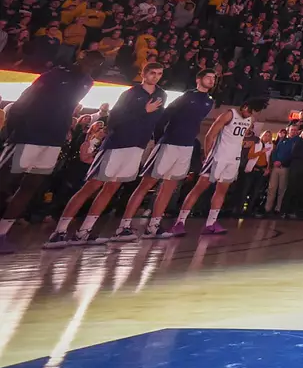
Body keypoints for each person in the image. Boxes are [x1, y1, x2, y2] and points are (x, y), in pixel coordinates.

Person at [45, 63, 166, 248]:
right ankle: (59, 231)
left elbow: (157, 121)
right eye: (152, 73)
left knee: (112, 188)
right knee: (92, 185)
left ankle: (84, 231)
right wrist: (143, 111)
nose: (156, 77)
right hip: (117, 144)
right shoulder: (131, 94)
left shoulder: (161, 95)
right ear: (143, 73)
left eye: (159, 74)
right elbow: (115, 119)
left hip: (137, 146)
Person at [0, 55, 96, 253]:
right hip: (29, 135)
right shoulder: (55, 74)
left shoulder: (88, 82)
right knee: (4, 180)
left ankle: (2, 232)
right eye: (90, 60)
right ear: (81, 57)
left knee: (31, 186)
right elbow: (24, 100)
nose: (92, 65)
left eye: (97, 63)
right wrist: (14, 132)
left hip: (54, 140)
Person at [113, 67, 219, 241]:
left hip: (186, 146)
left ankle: (154, 225)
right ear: (198, 80)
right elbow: (165, 115)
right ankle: (124, 225)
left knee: (170, 186)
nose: (212, 80)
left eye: (214, 78)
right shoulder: (187, 96)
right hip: (169, 142)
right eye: (208, 77)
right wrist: (160, 137)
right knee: (148, 183)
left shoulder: (209, 101)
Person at [173, 98, 265, 234]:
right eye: (251, 111)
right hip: (217, 157)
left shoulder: (250, 120)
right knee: (199, 188)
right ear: (245, 106)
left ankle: (211, 223)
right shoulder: (229, 114)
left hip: (233, 159)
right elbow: (210, 135)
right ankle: (180, 222)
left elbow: (238, 137)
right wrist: (207, 155)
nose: (252, 115)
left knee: (221, 190)